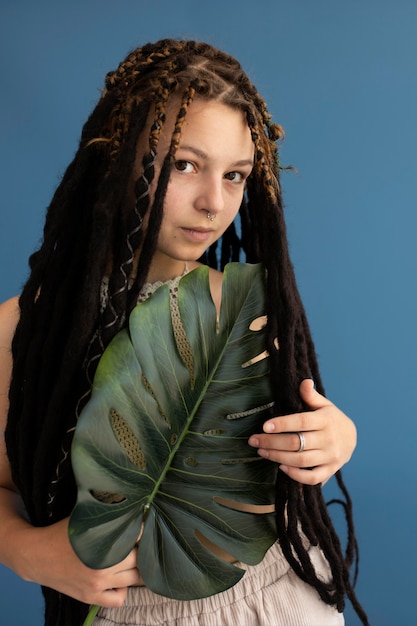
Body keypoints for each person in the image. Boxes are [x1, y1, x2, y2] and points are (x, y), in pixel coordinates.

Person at [0, 39, 368, 626]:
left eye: (237, 175)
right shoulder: (29, 331)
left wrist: (336, 436)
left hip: (274, 600)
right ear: (117, 158)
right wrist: (25, 552)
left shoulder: (239, 304)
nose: (212, 203)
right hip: (132, 613)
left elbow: (294, 431)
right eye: (184, 165)